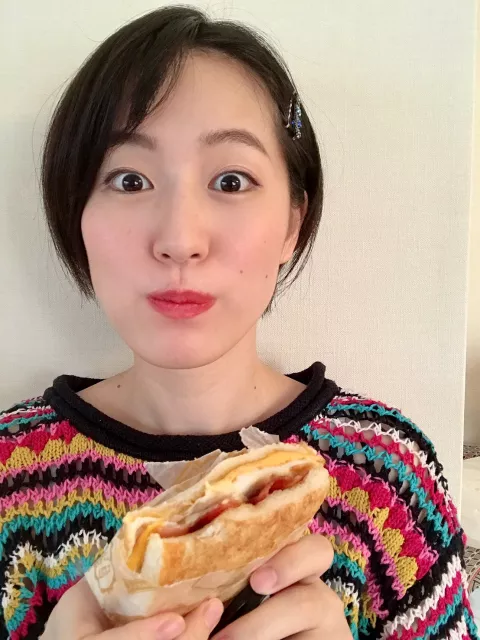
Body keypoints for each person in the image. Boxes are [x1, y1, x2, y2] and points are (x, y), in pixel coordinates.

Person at [0, 6, 477, 640]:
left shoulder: (386, 477)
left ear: (292, 223)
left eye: (231, 180)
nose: (180, 239)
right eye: (129, 179)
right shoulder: (11, 477)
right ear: (75, 215)